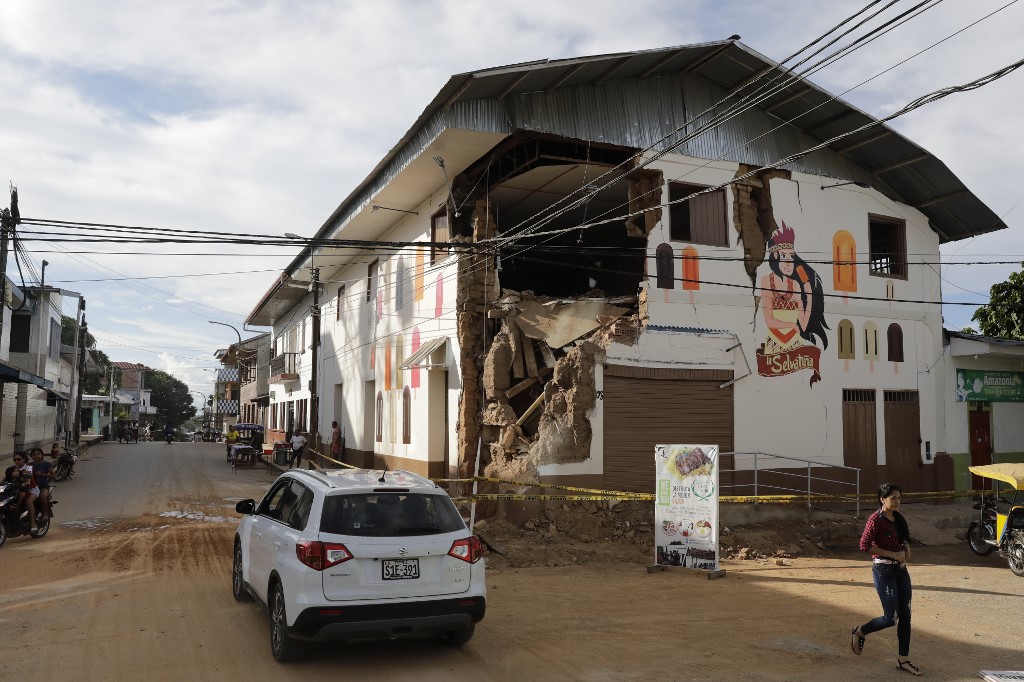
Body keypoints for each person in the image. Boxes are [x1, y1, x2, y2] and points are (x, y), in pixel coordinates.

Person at [851, 483, 921, 676]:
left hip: (901, 571)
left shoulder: (898, 518)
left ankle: (903, 660)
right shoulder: (875, 520)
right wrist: (891, 553)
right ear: (882, 499)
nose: (897, 501)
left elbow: (904, 538)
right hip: (884, 571)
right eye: (893, 498)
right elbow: (864, 545)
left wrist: (906, 547)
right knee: (891, 618)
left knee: (906, 615)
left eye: (899, 498)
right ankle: (860, 632)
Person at [6, 452, 40, 536]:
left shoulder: (28, 468)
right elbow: (6, 478)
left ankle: (33, 524)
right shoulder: (14, 468)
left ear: (24, 459)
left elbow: (28, 481)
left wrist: (22, 484)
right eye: (14, 459)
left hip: (32, 490)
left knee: (28, 502)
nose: (16, 461)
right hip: (20, 489)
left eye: (18, 459)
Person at [30, 448, 53, 519]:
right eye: (34, 455)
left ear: (42, 455)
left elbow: (53, 475)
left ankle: (45, 513)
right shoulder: (29, 465)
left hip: (43, 485)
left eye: (38, 454)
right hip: (32, 486)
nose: (36, 456)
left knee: (42, 496)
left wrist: (42, 474)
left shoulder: (46, 464)